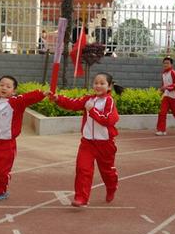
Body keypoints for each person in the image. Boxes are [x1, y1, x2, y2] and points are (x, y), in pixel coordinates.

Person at [0, 76, 48, 200]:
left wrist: (42, 93)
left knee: (1, 172)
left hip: (7, 144)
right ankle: (2, 175)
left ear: (14, 91)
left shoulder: (16, 102)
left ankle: (1, 191)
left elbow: (28, 98)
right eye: (1, 85)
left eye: (8, 86)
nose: (4, 88)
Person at [50, 72, 122, 207]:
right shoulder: (88, 100)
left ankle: (112, 187)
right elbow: (72, 104)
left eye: (102, 83)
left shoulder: (109, 101)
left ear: (109, 86)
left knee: (107, 172)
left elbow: (109, 120)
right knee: (83, 169)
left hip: (105, 144)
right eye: (96, 83)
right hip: (87, 143)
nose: (98, 86)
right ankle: (81, 197)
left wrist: (93, 111)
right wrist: (57, 98)